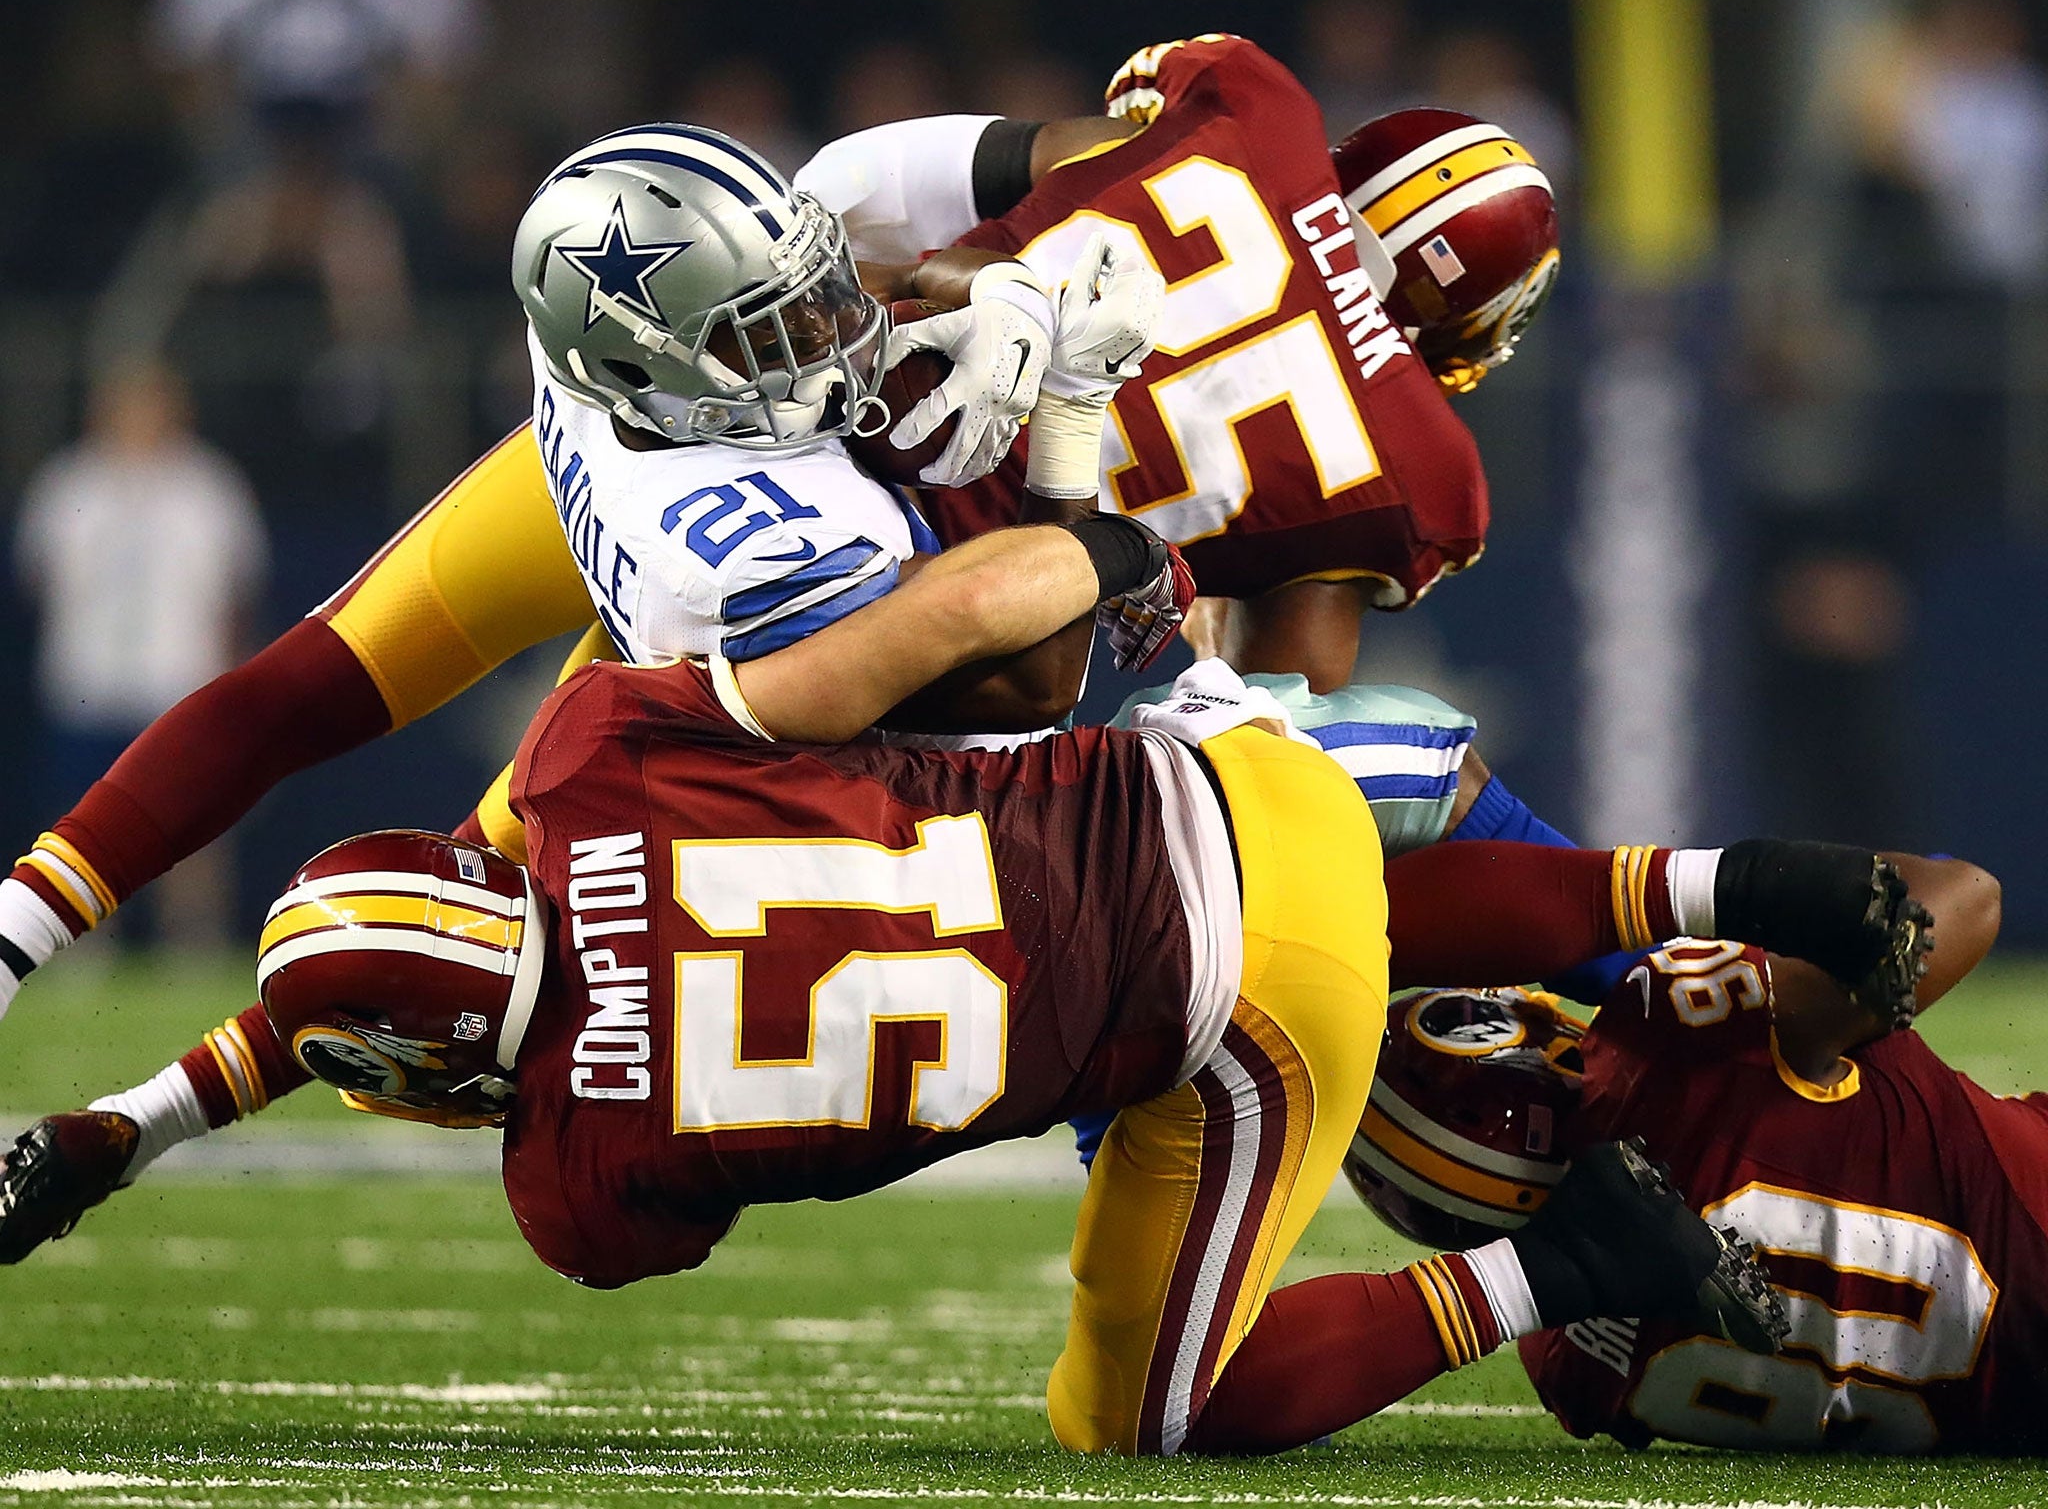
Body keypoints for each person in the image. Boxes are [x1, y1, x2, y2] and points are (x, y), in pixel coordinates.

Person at [235, 514, 1947, 1456]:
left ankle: (1557, 1265)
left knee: (1140, 1412)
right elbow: (953, 611)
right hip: (1213, 779)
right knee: (1362, 821)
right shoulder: (594, 749)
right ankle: (1717, 881)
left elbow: (673, 1153)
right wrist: (1102, 563)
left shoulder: (573, 1193)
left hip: (1220, 1027)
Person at [0, 120, 1158, 1204]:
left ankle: (115, 1103)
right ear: (658, 364)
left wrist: (976, 282)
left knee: (324, 734)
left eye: (813, 298)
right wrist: (1061, 412)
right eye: (774, 330)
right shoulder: (777, 544)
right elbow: (1025, 686)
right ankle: (119, 1100)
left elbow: (976, 198)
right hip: (694, 625)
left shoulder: (622, 313)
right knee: (446, 912)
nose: (830, 335)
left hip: (600, 495)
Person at [796, 33, 1562, 693]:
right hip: (923, 595)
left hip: (808, 391)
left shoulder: (1255, 108)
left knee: (841, 198)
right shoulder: (1422, 473)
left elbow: (874, 185)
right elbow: (1270, 710)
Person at [1346, 854, 2048, 1453]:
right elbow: (1968, 898)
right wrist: (1801, 891)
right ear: (1513, 1046)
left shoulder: (1565, 1366)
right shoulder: (1678, 1040)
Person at [13, 359, 269, 949]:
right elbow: (37, 578)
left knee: (190, 822)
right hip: (90, 679)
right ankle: (82, 942)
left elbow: (238, 589)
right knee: (85, 819)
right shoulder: (70, 482)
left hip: (177, 677)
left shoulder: (208, 486)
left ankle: (193, 937)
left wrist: (233, 681)